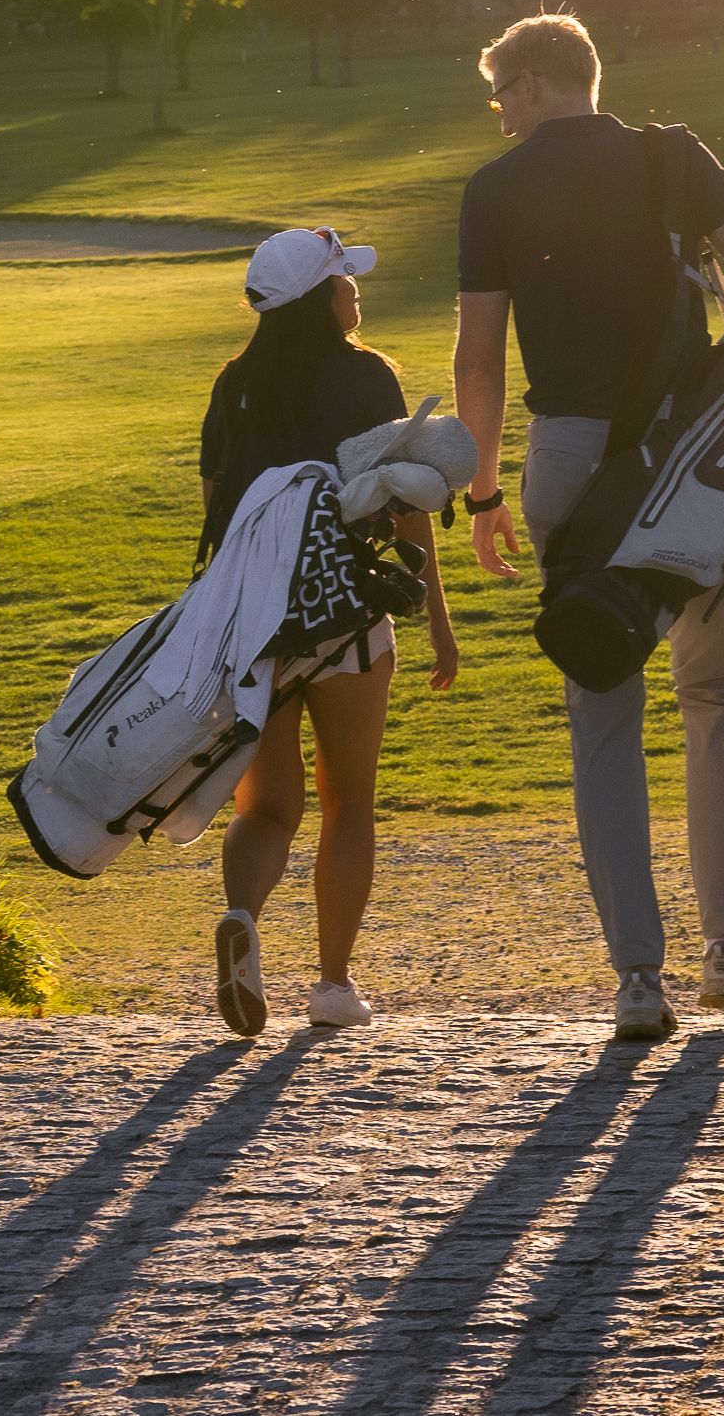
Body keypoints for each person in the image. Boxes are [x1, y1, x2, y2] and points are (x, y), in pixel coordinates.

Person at [449, 11, 724, 1041]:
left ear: (543, 81)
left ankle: (637, 977)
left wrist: (480, 496)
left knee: (603, 715)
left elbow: (478, 361)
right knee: (715, 695)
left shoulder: (492, 190)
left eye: (502, 90)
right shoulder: (671, 158)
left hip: (567, 462)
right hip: (697, 468)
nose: (498, 109)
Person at [197, 223, 463, 1036]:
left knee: (268, 807)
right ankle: (334, 984)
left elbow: (217, 509)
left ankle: (243, 916)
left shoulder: (234, 385)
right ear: (320, 296)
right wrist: (437, 621)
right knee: (350, 802)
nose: (357, 290)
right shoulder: (367, 377)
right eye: (345, 279)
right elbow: (406, 500)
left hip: (251, 625)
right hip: (347, 614)